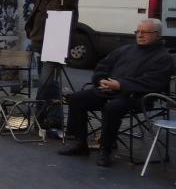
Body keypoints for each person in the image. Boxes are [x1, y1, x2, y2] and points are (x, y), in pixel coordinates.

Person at [58, 19, 174, 167]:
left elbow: (152, 83)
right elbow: (102, 66)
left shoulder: (163, 58)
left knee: (112, 107)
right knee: (76, 99)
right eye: (138, 31)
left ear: (157, 35)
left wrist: (120, 85)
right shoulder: (125, 49)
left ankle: (105, 150)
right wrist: (102, 81)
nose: (140, 35)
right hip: (109, 90)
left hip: (138, 97)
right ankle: (79, 143)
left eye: (145, 32)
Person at [25, 0, 81, 128]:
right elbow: (38, 10)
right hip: (40, 38)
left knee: (46, 80)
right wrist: (31, 29)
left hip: (56, 39)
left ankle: (41, 117)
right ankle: (52, 119)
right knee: (49, 81)